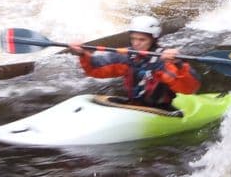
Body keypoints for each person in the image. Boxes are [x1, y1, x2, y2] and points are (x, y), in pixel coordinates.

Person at [68, 15, 201, 110]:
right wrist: (82, 53)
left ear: (153, 39)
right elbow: (95, 68)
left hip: (160, 110)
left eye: (142, 39)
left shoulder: (165, 60)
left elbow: (189, 88)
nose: (136, 43)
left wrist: (178, 63)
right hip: (134, 106)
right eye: (133, 39)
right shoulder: (127, 56)